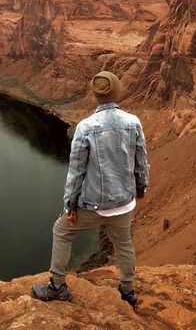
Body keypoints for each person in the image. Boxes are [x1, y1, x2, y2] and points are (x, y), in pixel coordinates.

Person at [31, 71, 148, 308]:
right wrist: (141, 187)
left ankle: (56, 287)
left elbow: (76, 172)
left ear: (95, 96)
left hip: (93, 204)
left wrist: (69, 205)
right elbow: (141, 161)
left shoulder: (85, 127)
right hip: (124, 203)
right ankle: (127, 291)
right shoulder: (133, 122)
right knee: (123, 244)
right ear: (116, 92)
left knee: (61, 231)